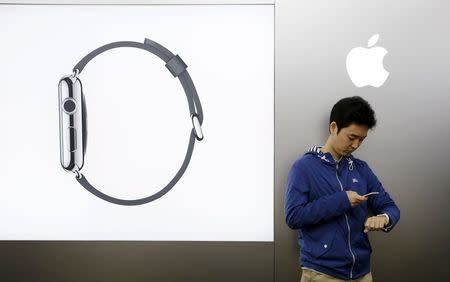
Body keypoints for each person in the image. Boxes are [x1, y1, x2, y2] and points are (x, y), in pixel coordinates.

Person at [284, 96, 400, 282]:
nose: (355, 145)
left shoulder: (361, 169)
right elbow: (293, 216)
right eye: (352, 137)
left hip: (363, 273)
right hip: (322, 272)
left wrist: (384, 218)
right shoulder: (303, 167)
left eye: (361, 140)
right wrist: (342, 200)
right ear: (333, 127)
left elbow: (390, 206)